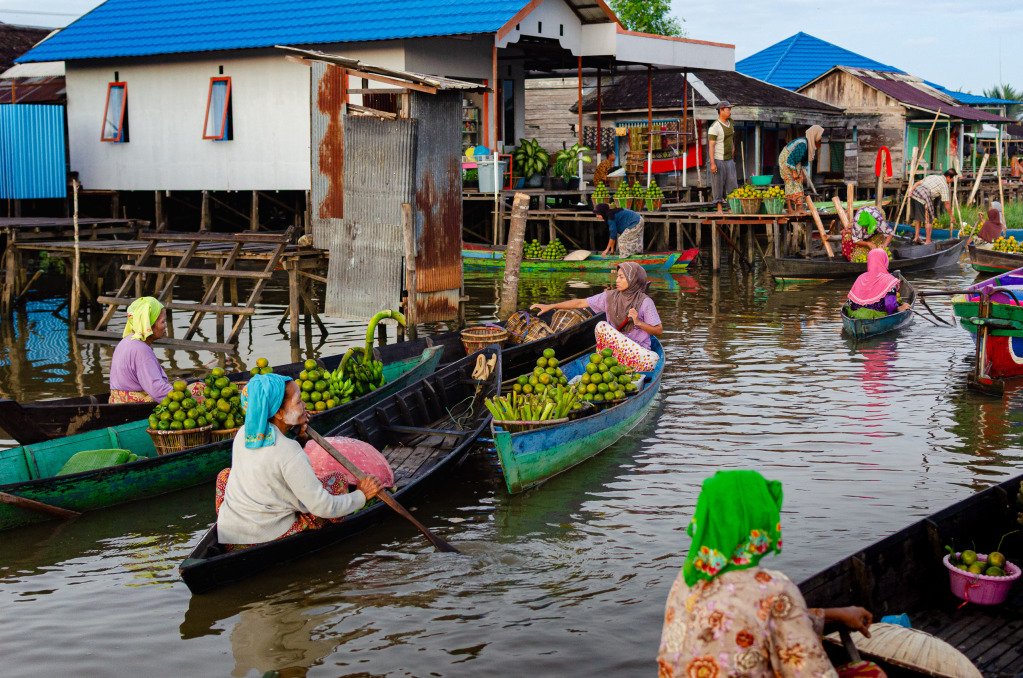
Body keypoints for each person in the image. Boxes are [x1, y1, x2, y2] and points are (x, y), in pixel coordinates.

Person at [658, 470, 881, 678]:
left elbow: (750, 621)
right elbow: (812, 672)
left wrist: (836, 614)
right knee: (871, 673)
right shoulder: (773, 589)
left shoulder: (687, 580)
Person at [215, 373, 382, 547]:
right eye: (298, 402)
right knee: (338, 481)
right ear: (279, 412)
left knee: (225, 475)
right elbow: (323, 507)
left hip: (230, 531)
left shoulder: (244, 433)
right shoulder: (288, 451)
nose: (304, 406)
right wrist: (361, 495)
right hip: (265, 534)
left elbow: (275, 456)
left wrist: (300, 436)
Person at [531, 261, 661, 371]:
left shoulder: (645, 302)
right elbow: (580, 303)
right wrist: (551, 306)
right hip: (614, 350)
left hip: (638, 352)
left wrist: (638, 322)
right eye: (617, 276)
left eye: (621, 277)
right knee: (601, 325)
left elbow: (658, 330)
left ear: (633, 279)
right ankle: (610, 361)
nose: (617, 280)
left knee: (653, 359)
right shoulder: (609, 296)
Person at [109, 296, 173, 403]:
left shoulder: (127, 340)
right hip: (133, 403)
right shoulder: (141, 350)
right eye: (163, 322)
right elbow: (157, 391)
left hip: (116, 400)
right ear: (149, 325)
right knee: (198, 387)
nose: (165, 326)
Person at [847, 249, 910, 320]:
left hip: (855, 315)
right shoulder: (889, 280)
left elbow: (851, 302)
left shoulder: (860, 277)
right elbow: (890, 306)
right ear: (885, 261)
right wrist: (899, 308)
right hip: (878, 316)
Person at [778, 125, 825, 212]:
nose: (821, 137)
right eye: (820, 135)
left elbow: (803, 160)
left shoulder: (809, 145)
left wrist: (801, 174)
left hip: (794, 161)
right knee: (790, 181)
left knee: (799, 181)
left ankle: (799, 208)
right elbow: (790, 159)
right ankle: (790, 209)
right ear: (814, 134)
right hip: (786, 159)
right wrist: (794, 172)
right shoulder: (802, 144)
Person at [909, 169, 956, 244]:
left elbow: (918, 183)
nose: (952, 181)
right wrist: (951, 216)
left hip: (915, 193)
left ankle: (916, 237)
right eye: (952, 178)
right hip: (924, 197)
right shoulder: (944, 186)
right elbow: (947, 203)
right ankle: (928, 241)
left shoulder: (933, 176)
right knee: (929, 220)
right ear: (948, 177)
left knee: (918, 218)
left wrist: (911, 191)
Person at [708, 101, 738, 207]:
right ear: (721, 110)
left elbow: (732, 139)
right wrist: (712, 163)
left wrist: (733, 150)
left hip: (729, 159)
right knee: (718, 184)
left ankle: (731, 207)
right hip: (718, 159)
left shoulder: (731, 123)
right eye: (728, 109)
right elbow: (711, 146)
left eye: (730, 109)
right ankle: (719, 208)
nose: (730, 111)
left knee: (732, 184)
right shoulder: (714, 127)